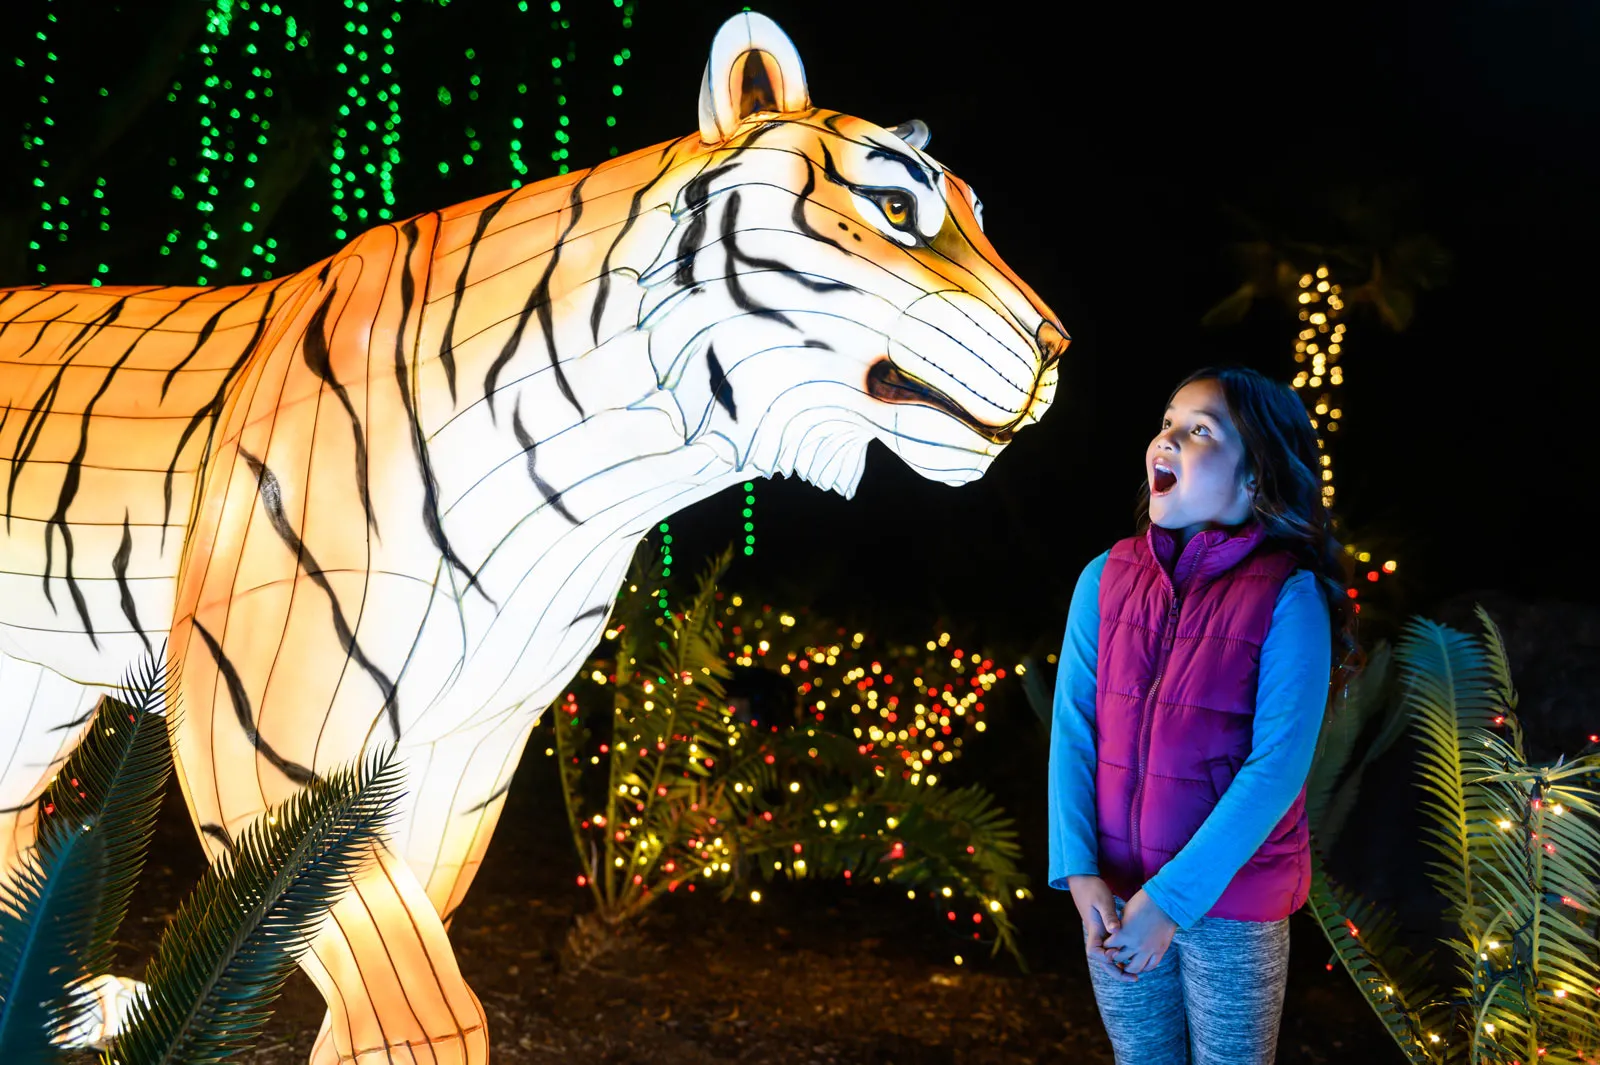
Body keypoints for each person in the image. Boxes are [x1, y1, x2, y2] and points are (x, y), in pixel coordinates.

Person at [1048, 365, 1359, 1064]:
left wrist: (1171, 902)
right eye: (1167, 422)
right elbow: (1073, 730)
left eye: (1199, 430)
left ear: (1255, 479)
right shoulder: (1104, 578)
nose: (1168, 438)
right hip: (1116, 897)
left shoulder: (1290, 594)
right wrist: (1079, 872)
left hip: (1234, 905)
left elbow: (1277, 768)